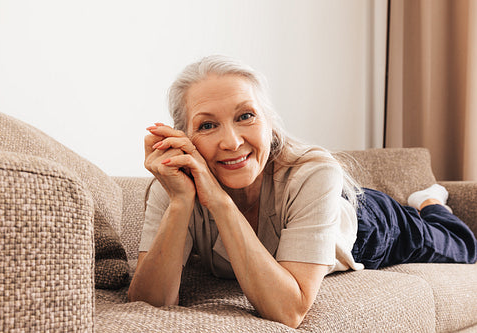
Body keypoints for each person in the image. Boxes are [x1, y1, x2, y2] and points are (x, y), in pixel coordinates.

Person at [128, 55, 477, 328]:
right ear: (183, 139)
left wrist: (218, 202)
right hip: (325, 210)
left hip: (366, 223)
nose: (232, 141)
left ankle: (430, 202)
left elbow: (289, 311)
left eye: (245, 116)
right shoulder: (176, 185)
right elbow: (149, 302)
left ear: (269, 123)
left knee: (462, 247)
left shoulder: (313, 172)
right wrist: (180, 202)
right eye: (207, 125)